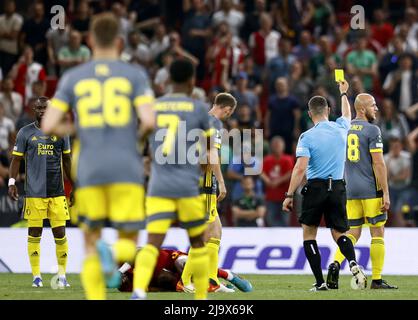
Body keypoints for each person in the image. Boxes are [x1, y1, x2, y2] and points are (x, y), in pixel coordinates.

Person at [41, 13, 155, 300]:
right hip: (126, 165)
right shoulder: (134, 75)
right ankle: (115, 252)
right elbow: (150, 121)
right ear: (119, 41)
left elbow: (48, 125)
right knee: (129, 239)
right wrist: (133, 137)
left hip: (89, 166)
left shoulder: (73, 77)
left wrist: (79, 127)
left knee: (90, 242)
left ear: (90, 40)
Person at [131, 59, 213, 300]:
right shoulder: (198, 108)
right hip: (187, 186)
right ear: (191, 80)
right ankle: (200, 297)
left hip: (159, 186)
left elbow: (139, 140)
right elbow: (208, 151)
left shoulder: (153, 106)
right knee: (198, 243)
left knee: (152, 242)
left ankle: (138, 289)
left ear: (167, 81)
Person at [283, 81, 367, 291]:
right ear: (328, 111)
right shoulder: (341, 128)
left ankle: (320, 283)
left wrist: (289, 194)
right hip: (338, 187)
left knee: (309, 234)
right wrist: (343, 93)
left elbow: (300, 168)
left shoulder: (307, 137)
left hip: (316, 188)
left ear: (310, 114)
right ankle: (353, 262)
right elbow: (347, 113)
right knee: (339, 233)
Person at [327, 93, 398, 290]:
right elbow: (378, 163)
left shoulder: (345, 129)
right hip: (370, 190)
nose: (376, 108)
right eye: (373, 105)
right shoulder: (372, 130)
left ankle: (335, 264)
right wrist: (385, 192)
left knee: (352, 233)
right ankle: (376, 279)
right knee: (377, 233)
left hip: (349, 190)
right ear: (361, 108)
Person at [8, 96, 72, 288]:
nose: (42, 111)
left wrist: (74, 184)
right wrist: (12, 181)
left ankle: (62, 276)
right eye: (39, 108)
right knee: (34, 233)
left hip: (57, 192)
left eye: (46, 108)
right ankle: (37, 277)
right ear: (33, 110)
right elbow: (16, 160)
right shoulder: (25, 133)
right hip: (34, 193)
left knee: (60, 233)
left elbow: (67, 161)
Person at [179, 92, 237, 293]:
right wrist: (221, 182)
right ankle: (185, 280)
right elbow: (212, 156)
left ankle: (211, 280)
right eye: (229, 113)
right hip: (202, 184)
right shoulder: (214, 124)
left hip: (197, 183)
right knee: (205, 234)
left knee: (216, 231)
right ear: (227, 109)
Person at [117, 248, 252, 293]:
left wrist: (121, 270)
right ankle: (220, 287)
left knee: (187, 264)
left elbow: (139, 252)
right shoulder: (125, 287)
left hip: (170, 260)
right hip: (161, 276)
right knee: (182, 286)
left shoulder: (120, 259)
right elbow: (153, 289)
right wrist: (172, 289)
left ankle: (227, 275)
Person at [261, 136, 294, 227]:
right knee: (270, 219)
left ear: (283, 147)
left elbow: (290, 173)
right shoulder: (267, 159)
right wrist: (267, 180)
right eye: (275, 146)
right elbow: (261, 172)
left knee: (285, 220)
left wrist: (277, 182)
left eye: (278, 146)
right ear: (271, 147)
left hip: (285, 196)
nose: (277, 148)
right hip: (270, 196)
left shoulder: (288, 159)